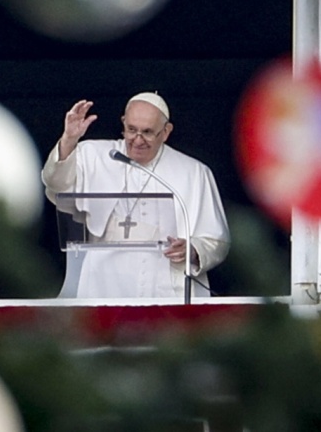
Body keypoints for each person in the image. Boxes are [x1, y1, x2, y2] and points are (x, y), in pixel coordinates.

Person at [41, 92, 230, 299]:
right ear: (123, 123)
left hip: (165, 286)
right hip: (102, 282)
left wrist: (193, 250)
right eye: (131, 130)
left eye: (147, 132)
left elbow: (216, 241)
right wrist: (69, 140)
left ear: (166, 132)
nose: (137, 140)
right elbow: (55, 184)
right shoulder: (93, 155)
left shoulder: (193, 173)